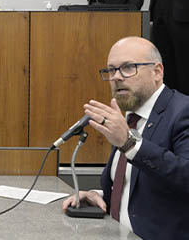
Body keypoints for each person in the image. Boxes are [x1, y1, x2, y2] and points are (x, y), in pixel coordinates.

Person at [61, 36, 189, 239]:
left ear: (157, 72)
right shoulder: (130, 117)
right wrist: (100, 195)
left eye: (128, 67)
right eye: (111, 70)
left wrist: (129, 144)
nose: (116, 77)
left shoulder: (182, 112)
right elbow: (137, 185)